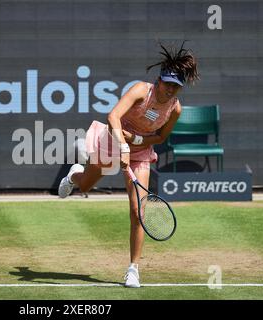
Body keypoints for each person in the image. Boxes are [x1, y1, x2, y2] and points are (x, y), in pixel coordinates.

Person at [58, 42, 199, 288]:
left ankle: (133, 269)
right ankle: (74, 176)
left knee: (138, 212)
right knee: (86, 187)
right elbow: (112, 116)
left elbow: (160, 138)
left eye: (175, 87)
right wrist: (123, 145)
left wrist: (136, 141)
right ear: (159, 80)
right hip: (112, 141)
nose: (169, 90)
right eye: (167, 84)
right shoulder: (141, 91)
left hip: (141, 151)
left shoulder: (175, 109)